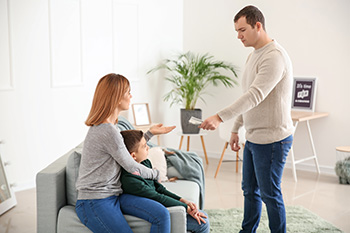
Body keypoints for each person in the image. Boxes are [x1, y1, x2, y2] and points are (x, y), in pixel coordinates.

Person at [199, 5, 294, 233]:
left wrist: (220, 117)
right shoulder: (253, 55)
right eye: (237, 31)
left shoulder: (274, 57)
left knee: (270, 194)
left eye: (242, 30)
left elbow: (255, 95)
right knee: (249, 191)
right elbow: (248, 97)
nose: (238, 36)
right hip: (254, 137)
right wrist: (236, 129)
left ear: (258, 25)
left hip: (273, 140)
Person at [75, 73, 176, 233]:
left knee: (161, 214)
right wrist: (156, 174)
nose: (131, 96)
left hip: (113, 196)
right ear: (116, 97)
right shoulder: (107, 130)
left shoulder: (110, 127)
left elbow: (125, 150)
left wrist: (149, 134)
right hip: (94, 201)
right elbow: (131, 166)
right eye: (128, 92)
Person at [120, 129, 210, 233]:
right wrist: (187, 208)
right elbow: (156, 197)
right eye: (144, 146)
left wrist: (182, 200)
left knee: (204, 217)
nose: (148, 148)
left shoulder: (145, 163)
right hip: (153, 209)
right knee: (203, 223)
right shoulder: (130, 180)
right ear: (133, 156)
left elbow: (160, 189)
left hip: (158, 203)